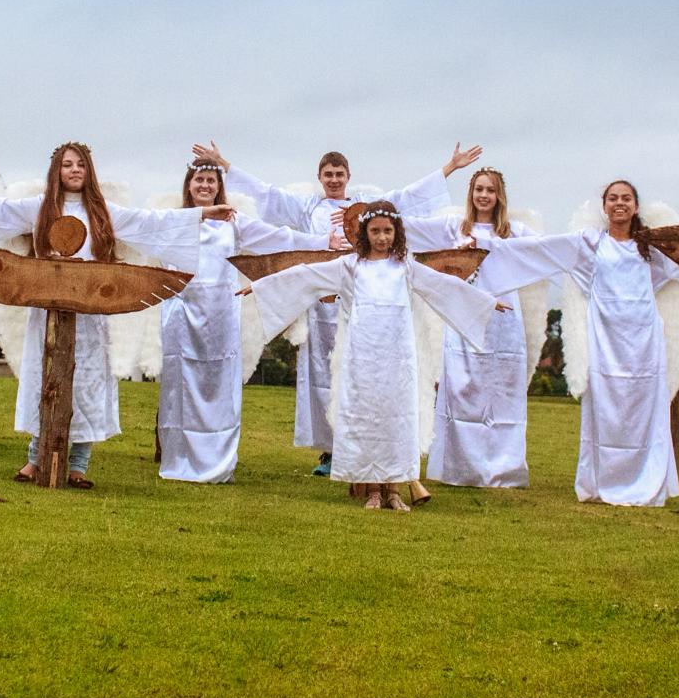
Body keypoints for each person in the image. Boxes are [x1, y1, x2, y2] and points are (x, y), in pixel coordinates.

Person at [0, 142, 233, 488]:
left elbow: (150, 222)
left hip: (90, 314)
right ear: (57, 171)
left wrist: (200, 214)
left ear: (88, 170)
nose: (75, 170)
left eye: (80, 164)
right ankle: (36, 457)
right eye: (67, 164)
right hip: (47, 308)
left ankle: (78, 464)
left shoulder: (101, 210)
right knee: (45, 380)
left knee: (86, 385)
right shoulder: (41, 208)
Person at [189, 140, 479, 477]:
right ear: (320, 176)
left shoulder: (365, 207)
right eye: (328, 174)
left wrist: (450, 167)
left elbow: (407, 197)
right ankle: (330, 451)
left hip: (365, 301)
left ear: (348, 175)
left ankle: (367, 447)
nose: (334, 179)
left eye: (339, 173)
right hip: (322, 302)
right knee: (323, 376)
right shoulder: (308, 207)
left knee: (363, 374)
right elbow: (266, 194)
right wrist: (222, 162)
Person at [475, 179, 679, 507]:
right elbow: (542, 251)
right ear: (605, 206)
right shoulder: (591, 243)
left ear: (636, 206)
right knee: (605, 412)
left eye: (626, 198)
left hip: (643, 344)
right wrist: (487, 251)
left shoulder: (652, 249)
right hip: (605, 342)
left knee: (642, 413)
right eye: (613, 198)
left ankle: (645, 482)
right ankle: (603, 481)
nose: (619, 204)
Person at [244, 201, 504, 510]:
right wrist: (260, 287)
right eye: (375, 231)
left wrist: (485, 303)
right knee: (366, 420)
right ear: (365, 233)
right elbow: (306, 276)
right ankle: (373, 491)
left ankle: (393, 490)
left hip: (398, 359)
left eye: (387, 231)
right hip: (363, 358)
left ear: (397, 233)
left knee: (397, 420)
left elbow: (442, 286)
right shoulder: (351, 267)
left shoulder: (406, 267)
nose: (382, 237)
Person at [156, 159, 341, 483]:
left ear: (219, 187)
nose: (205, 186)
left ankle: (217, 462)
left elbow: (278, 238)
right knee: (181, 388)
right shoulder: (175, 221)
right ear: (189, 184)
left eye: (211, 181)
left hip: (221, 315)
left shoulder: (233, 223)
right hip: (182, 316)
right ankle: (179, 458)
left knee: (221, 386)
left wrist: (321, 242)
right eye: (199, 180)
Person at [403, 167, 547, 489]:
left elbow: (547, 252)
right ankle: (460, 468)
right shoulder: (454, 228)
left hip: (504, 323)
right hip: (463, 321)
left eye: (490, 190)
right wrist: (367, 216)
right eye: (479, 189)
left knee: (501, 396)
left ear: (499, 196)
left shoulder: (515, 232)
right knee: (462, 391)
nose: (484, 195)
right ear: (471, 193)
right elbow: (408, 229)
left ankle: (502, 469)